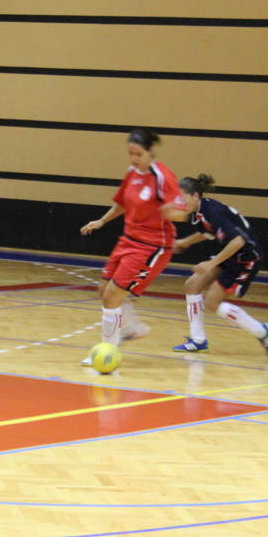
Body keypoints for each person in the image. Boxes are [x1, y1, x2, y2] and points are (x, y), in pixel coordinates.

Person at [79, 128, 185, 363]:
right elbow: (122, 203)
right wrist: (101, 221)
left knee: (113, 295)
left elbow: (182, 213)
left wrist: (171, 212)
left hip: (152, 246)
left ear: (150, 151)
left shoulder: (162, 176)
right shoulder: (132, 173)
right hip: (128, 240)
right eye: (130, 154)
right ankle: (131, 329)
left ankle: (108, 352)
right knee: (103, 290)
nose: (134, 159)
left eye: (138, 154)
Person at [170, 173, 268, 354]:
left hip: (245, 258)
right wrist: (184, 242)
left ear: (195, 196)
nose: (179, 203)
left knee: (212, 302)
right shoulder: (200, 211)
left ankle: (262, 331)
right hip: (229, 254)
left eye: (182, 198)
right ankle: (198, 339)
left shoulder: (214, 212)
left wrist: (211, 264)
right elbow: (208, 232)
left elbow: (238, 241)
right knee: (192, 285)